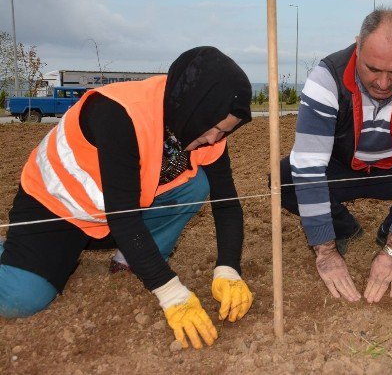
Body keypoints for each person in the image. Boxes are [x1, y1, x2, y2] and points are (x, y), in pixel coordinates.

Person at [0, 46, 255, 350]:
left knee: (196, 185)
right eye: (214, 128)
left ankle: (134, 259)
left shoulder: (202, 129)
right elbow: (123, 217)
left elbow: (226, 203)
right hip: (58, 209)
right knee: (22, 299)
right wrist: (172, 293)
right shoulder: (120, 113)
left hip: (115, 216)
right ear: (197, 106)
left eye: (224, 132)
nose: (214, 139)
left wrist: (228, 268)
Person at [280, 8, 392, 303]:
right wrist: (325, 251)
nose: (382, 83)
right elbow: (310, 168)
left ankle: (388, 231)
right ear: (358, 45)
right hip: (338, 169)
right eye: (373, 69)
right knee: (285, 175)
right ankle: (342, 228)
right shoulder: (326, 78)